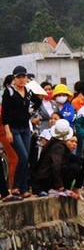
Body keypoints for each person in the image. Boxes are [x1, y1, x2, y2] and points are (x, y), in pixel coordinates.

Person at [1, 66, 41, 198]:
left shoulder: (28, 91)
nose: (21, 79)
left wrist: (30, 112)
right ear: (14, 78)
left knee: (26, 157)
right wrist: (7, 131)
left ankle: (23, 189)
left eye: (23, 77)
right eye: (19, 77)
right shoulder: (9, 92)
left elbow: (38, 101)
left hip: (25, 128)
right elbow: (5, 113)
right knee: (22, 156)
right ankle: (16, 186)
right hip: (14, 129)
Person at [30, 119, 73, 196]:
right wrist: (59, 185)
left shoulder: (53, 142)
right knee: (73, 167)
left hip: (42, 176)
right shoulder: (58, 147)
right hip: (45, 178)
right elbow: (56, 166)